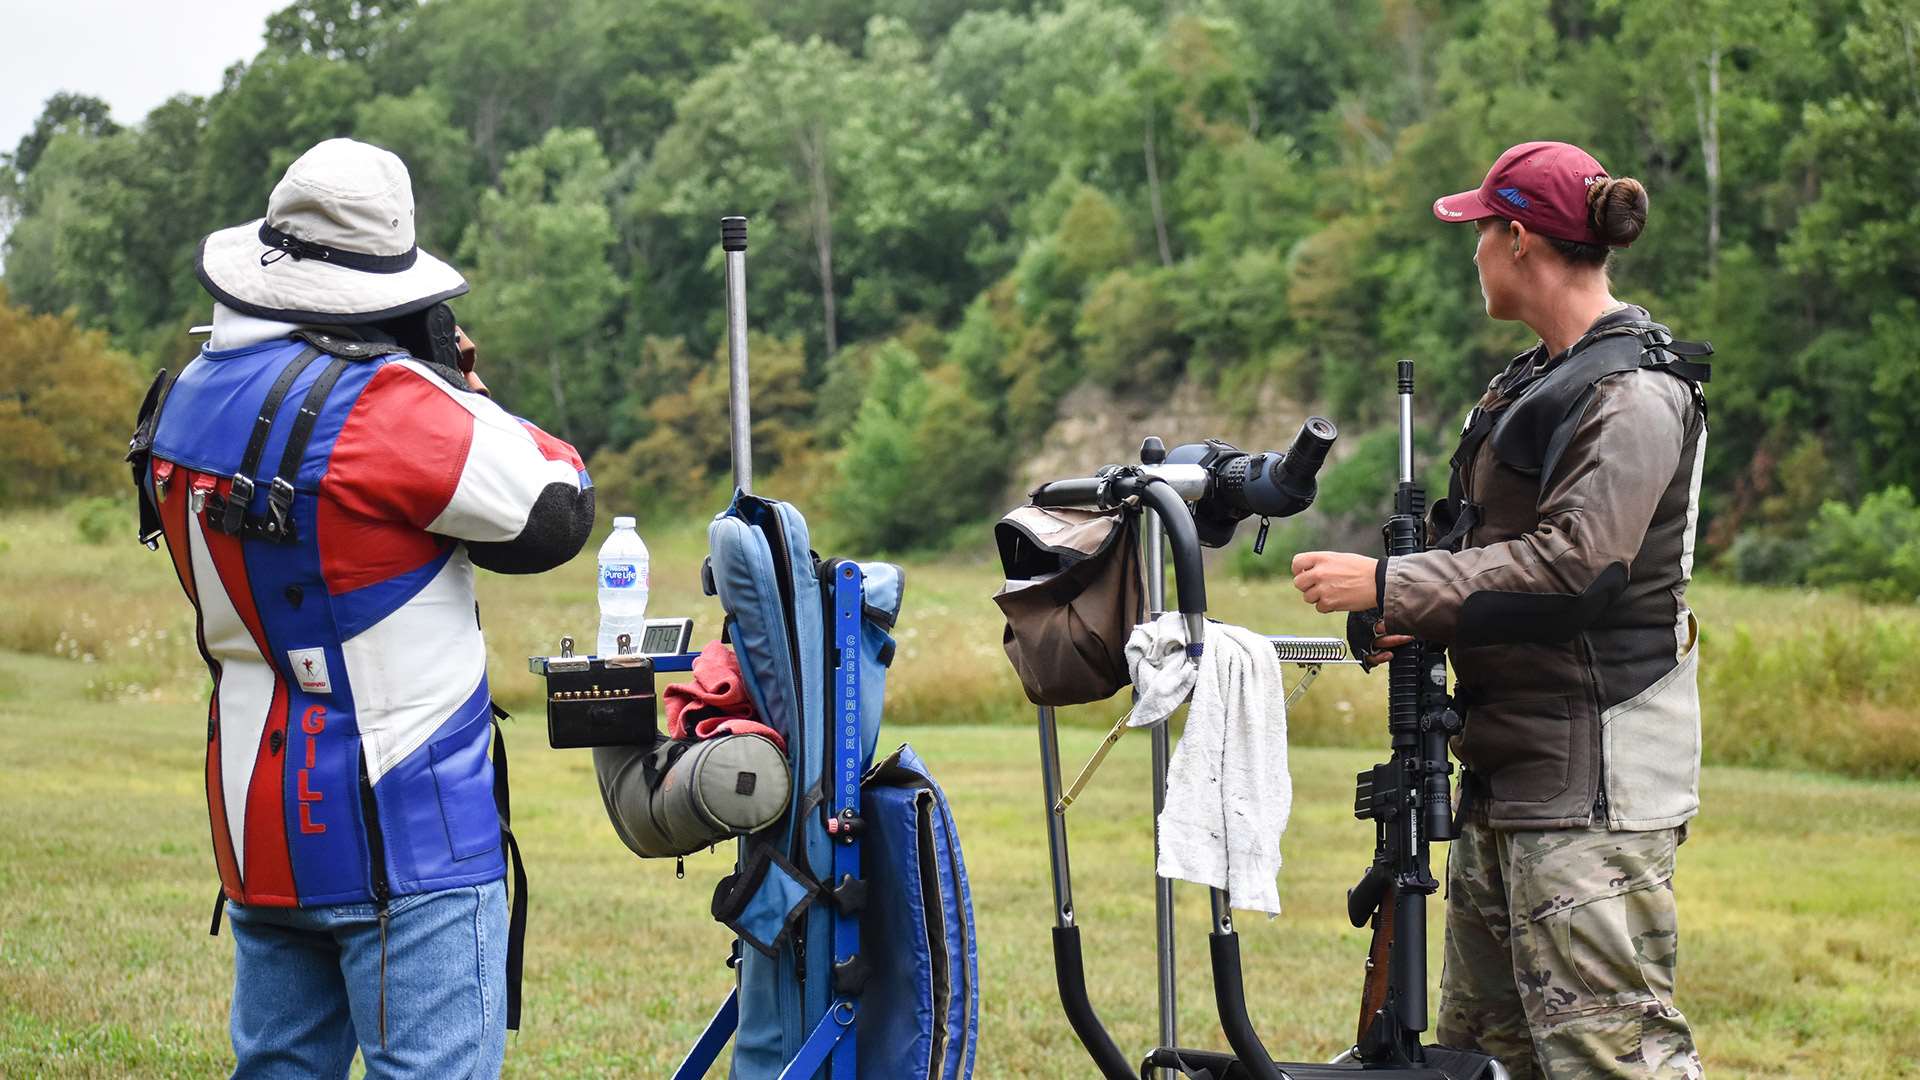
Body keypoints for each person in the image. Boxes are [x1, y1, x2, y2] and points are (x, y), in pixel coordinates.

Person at [128, 138, 594, 1078]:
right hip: (410, 829)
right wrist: (458, 384)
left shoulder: (181, 396)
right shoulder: (390, 408)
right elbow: (556, 506)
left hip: (256, 819)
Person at [1288, 141, 1708, 1079]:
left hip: (1589, 789)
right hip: (1510, 774)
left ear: (1518, 239)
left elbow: (1578, 569)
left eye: (1478, 230)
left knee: (1611, 1056)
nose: (1471, 249)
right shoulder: (1533, 379)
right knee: (1485, 1060)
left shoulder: (1633, 391)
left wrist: (1393, 585)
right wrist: (1417, 609)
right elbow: (1492, 553)